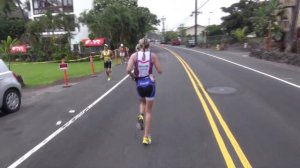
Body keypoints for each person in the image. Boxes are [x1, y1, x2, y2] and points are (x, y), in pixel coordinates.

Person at [126, 38, 162, 145]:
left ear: (140, 45)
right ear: (148, 45)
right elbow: (160, 71)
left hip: (139, 84)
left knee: (142, 102)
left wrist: (133, 77)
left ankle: (140, 115)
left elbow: (128, 70)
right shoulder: (153, 56)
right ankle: (146, 137)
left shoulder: (134, 56)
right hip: (150, 83)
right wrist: (151, 73)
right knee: (149, 111)